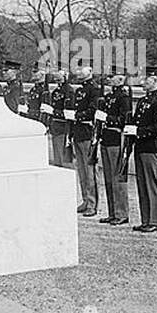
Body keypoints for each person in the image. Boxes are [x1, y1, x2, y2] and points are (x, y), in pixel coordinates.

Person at [130, 65, 157, 232]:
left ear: (156, 80)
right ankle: (146, 219)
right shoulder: (143, 101)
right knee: (142, 184)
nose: (142, 82)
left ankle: (155, 220)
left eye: (146, 79)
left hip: (150, 147)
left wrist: (138, 131)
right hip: (140, 146)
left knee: (152, 184)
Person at [98, 65, 132, 226]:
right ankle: (113, 212)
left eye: (112, 77)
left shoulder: (123, 98)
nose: (109, 79)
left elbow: (124, 120)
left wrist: (107, 118)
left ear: (120, 79)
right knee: (109, 178)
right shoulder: (109, 96)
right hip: (106, 137)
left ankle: (121, 213)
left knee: (117, 177)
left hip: (116, 137)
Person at [71, 64, 101, 216]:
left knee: (89, 171)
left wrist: (77, 116)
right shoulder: (80, 90)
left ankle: (92, 203)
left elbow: (93, 110)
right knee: (81, 169)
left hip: (87, 132)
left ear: (90, 71)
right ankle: (85, 199)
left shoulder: (94, 89)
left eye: (82, 68)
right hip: (78, 132)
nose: (78, 70)